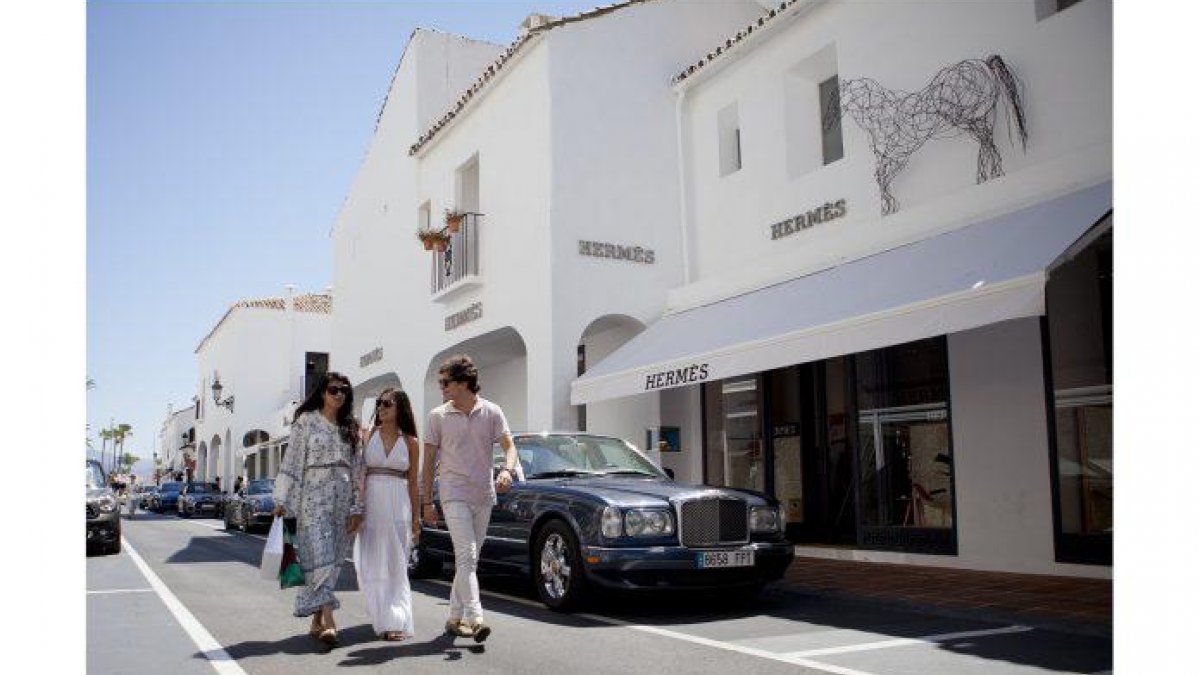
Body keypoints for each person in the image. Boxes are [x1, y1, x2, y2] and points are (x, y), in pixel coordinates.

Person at [420, 355, 518, 643]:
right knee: (467, 555)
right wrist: (426, 502)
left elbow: (510, 447)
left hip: (483, 494)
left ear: (463, 383)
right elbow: (429, 462)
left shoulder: (492, 411)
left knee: (468, 562)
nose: (441, 387)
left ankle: (454, 617)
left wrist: (507, 470)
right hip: (453, 493)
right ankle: (475, 618)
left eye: (445, 382)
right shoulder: (437, 416)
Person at [272, 372, 364, 647]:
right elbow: (292, 460)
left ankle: (316, 620)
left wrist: (357, 507)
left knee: (332, 561)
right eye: (334, 389)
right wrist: (282, 499)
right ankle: (329, 621)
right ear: (323, 393)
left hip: (341, 501)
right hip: (312, 500)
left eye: (344, 390)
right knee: (320, 556)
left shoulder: (350, 426)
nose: (339, 394)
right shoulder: (306, 421)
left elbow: (358, 469)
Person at [354, 388, 420, 641]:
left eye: (387, 404)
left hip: (399, 504)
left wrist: (416, 518)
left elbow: (413, 483)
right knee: (372, 564)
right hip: (372, 504)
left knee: (396, 564)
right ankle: (381, 614)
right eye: (379, 404)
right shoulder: (369, 434)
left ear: (400, 407)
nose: (381, 408)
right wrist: (356, 508)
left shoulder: (411, 442)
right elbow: (360, 474)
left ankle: (394, 620)